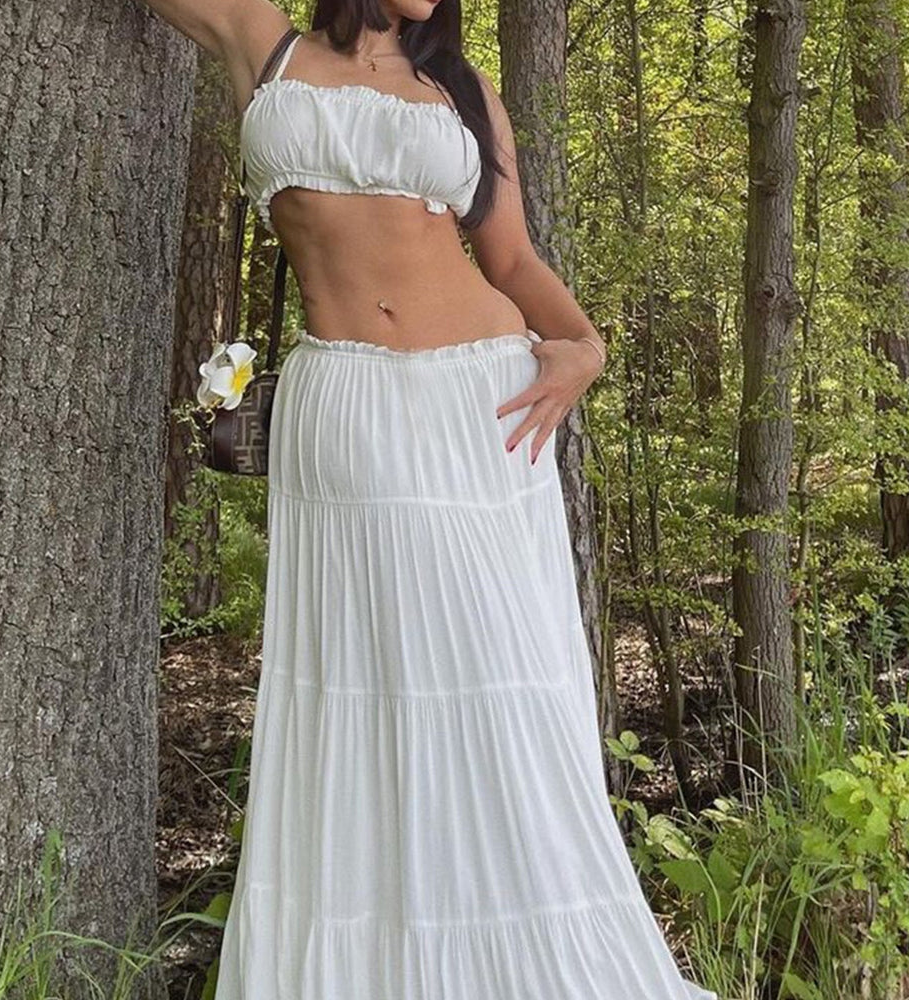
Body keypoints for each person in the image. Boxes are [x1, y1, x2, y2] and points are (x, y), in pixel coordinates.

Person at [144, 0, 717, 996]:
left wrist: (585, 344)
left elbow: (511, 260)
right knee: (359, 684)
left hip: (483, 403)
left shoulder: (463, 88)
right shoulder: (264, 43)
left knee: (496, 675)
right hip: (343, 405)